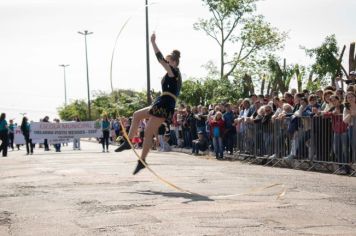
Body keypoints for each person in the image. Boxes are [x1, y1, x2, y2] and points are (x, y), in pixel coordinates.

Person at [115, 32, 182, 175]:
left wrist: (153, 43)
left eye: (169, 61)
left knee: (148, 132)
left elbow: (160, 59)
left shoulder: (174, 72)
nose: (166, 63)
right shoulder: (170, 73)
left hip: (165, 104)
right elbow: (163, 61)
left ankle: (142, 160)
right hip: (161, 101)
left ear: (174, 63)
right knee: (137, 115)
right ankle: (129, 142)